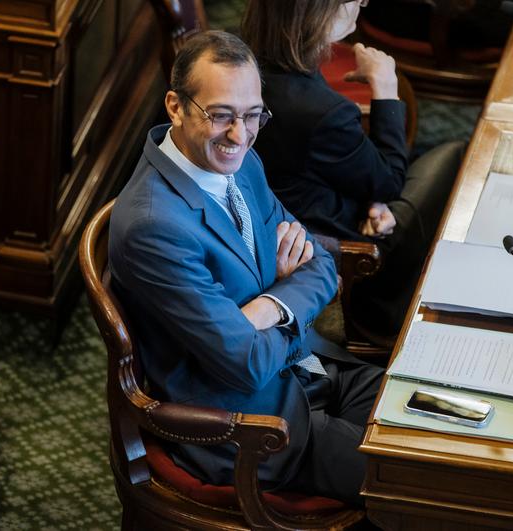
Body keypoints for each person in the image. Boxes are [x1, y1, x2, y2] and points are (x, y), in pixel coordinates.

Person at [108, 30, 384, 506]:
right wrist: (290, 294)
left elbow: (320, 261)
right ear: (175, 106)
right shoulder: (154, 226)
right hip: (252, 429)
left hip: (312, 371)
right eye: (220, 116)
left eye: (253, 115)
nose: (240, 134)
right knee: (416, 482)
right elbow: (247, 365)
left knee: (426, 425)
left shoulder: (242, 162)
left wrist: (269, 305)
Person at [242, 0, 465, 338]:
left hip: (303, 208)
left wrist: (372, 199)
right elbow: (389, 182)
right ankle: (396, 309)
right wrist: (386, 88)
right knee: (452, 156)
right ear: (316, 13)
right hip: (343, 249)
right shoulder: (321, 111)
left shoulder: (247, 67)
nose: (363, 2)